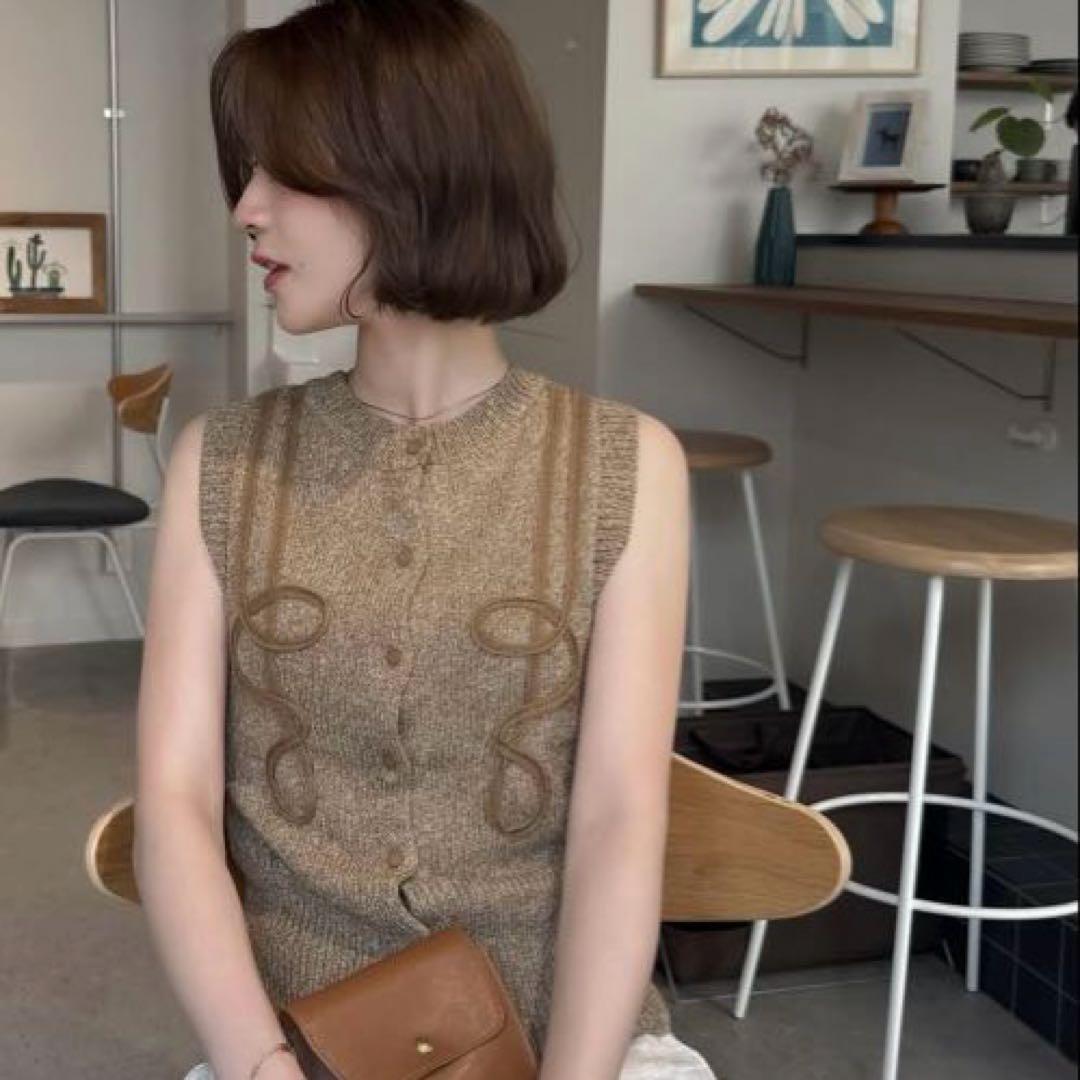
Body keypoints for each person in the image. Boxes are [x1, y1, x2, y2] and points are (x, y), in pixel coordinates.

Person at [133, 2, 713, 1077]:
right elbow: (172, 802)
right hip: (289, 1038)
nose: (246, 209)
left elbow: (620, 818)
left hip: (568, 1037)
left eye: (284, 172)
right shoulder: (219, 463)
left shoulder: (627, 467)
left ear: (411, 169)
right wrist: (261, 1066)